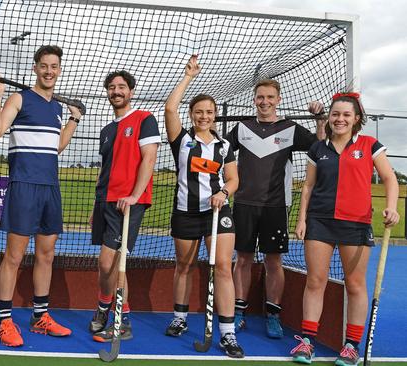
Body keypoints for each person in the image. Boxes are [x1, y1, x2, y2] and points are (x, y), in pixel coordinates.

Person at [290, 93, 399, 365]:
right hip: (320, 221)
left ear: (356, 119)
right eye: (335, 114)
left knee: (355, 285)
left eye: (346, 115)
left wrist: (392, 206)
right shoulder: (318, 149)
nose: (340, 119)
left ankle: (351, 346)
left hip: (356, 223)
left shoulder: (369, 144)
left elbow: (389, 178)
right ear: (329, 118)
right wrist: (302, 219)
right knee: (315, 281)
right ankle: (307, 342)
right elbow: (308, 186)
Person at [0, 45, 82, 347]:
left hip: (49, 187)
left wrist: (73, 120)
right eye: (44, 66)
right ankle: (4, 321)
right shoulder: (19, 98)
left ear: (59, 70)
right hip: (23, 185)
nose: (49, 71)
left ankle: (40, 316)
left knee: (46, 255)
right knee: (14, 256)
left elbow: (56, 147)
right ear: (35, 68)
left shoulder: (55, 107)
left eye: (54, 66)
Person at [227, 79, 327, 339]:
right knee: (243, 259)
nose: (265, 102)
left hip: (276, 206)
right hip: (244, 204)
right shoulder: (241, 128)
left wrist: (320, 119)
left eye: (270, 97)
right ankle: (238, 312)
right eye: (260, 97)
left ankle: (273, 315)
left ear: (278, 100)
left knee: (274, 261)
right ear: (254, 99)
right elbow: (220, 152)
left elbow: (321, 144)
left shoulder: (291, 129)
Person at [162, 56, 243, 358]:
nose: (204, 116)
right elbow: (170, 108)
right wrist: (188, 77)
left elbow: (233, 179)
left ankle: (227, 333)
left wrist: (223, 191)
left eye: (209, 112)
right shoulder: (181, 140)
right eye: (199, 112)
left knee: (223, 267)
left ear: (215, 115)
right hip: (185, 212)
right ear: (192, 114)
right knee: (183, 266)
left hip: (217, 214)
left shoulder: (224, 147)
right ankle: (180, 318)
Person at [88, 70, 161, 343]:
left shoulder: (144, 119)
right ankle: (104, 309)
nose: (116, 91)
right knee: (104, 264)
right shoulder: (107, 130)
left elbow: (149, 159)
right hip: (105, 201)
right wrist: (95, 205)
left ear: (130, 91)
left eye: (121, 87)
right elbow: (105, 169)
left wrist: (134, 195)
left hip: (127, 203)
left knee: (112, 261)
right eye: (111, 87)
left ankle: (123, 320)